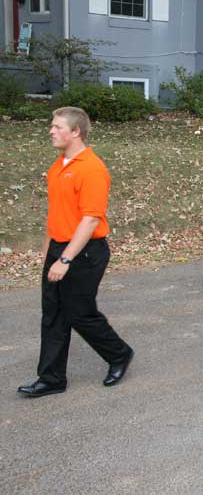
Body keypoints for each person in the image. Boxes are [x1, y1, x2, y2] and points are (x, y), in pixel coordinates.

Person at [17, 107, 134, 398]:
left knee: (80, 313)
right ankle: (52, 378)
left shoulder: (91, 169)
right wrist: (49, 252)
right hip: (60, 247)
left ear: (76, 131)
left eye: (57, 127)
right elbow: (57, 212)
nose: (51, 131)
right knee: (54, 314)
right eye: (52, 126)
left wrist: (66, 258)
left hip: (85, 252)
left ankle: (119, 354)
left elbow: (91, 219)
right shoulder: (59, 166)